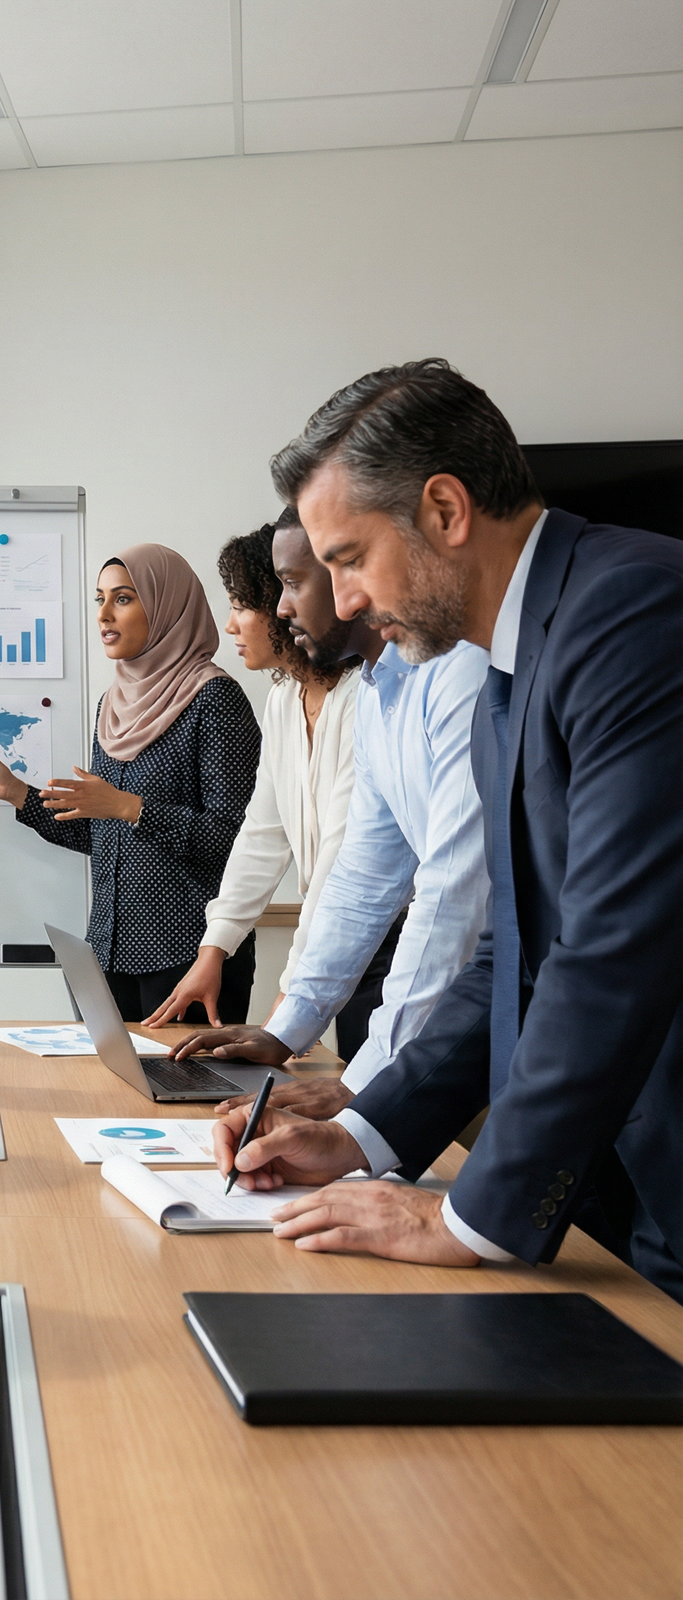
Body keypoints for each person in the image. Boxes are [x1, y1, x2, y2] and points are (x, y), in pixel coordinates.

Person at [215, 358, 683, 1300]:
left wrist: (467, 1215)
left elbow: (611, 953)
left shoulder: (631, 614)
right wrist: (360, 1132)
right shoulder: (504, 674)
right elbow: (511, 956)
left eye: (348, 558)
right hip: (612, 1185)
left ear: (443, 511)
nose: (340, 601)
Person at [168, 507, 491, 1117]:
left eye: (290, 584)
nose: (280, 609)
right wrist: (287, 1027)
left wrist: (359, 1082)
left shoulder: (456, 674)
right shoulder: (375, 690)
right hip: (425, 963)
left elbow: (452, 894)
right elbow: (361, 876)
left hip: (467, 965)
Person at [0, 545, 261, 1024]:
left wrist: (133, 808)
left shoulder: (214, 699)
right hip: (107, 954)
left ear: (168, 606)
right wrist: (16, 793)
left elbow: (237, 840)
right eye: (99, 599)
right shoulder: (111, 706)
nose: (104, 615)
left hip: (189, 956)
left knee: (183, 1099)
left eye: (124, 598)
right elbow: (104, 835)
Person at [145, 514, 365, 1046]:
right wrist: (213, 950)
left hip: (377, 936)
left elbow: (341, 865)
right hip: (332, 941)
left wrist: (288, 1003)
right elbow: (261, 835)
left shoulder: (365, 695)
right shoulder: (283, 700)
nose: (231, 624)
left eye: (243, 604)